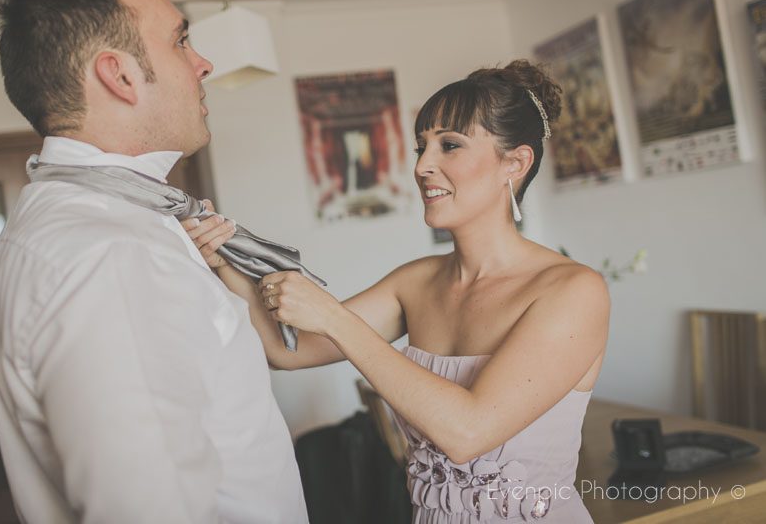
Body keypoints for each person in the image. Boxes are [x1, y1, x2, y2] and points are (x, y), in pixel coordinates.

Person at [185, 61, 609, 522]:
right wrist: (226, 261)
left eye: (449, 146)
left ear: (515, 162)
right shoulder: (417, 281)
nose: (423, 166)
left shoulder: (573, 291)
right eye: (421, 147)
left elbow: (466, 432)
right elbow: (287, 352)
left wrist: (334, 316)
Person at [0, 0, 307, 523]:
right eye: (182, 40)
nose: (203, 64)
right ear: (120, 74)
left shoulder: (94, 223)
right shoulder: (109, 252)